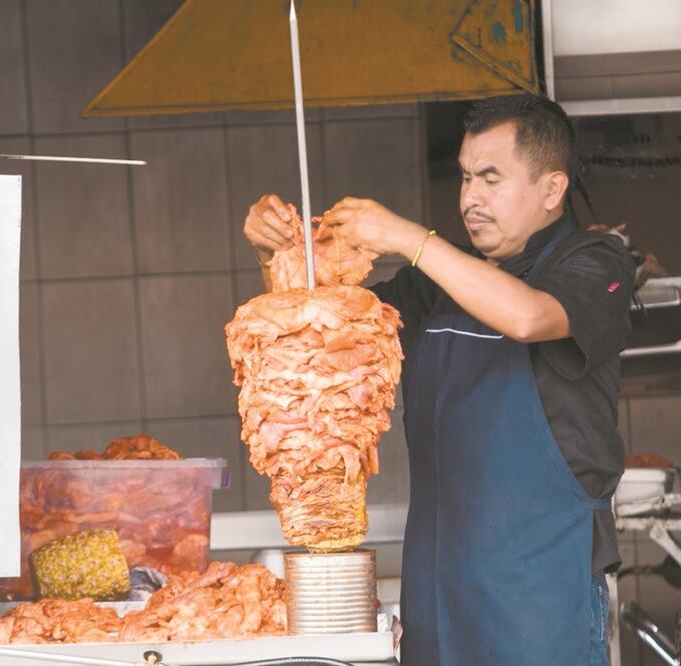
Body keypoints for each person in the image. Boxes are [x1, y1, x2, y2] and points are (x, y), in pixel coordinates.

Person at [243, 94, 634, 665]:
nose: (470, 198)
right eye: (466, 177)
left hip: (543, 594)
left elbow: (529, 317)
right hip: (438, 591)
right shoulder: (432, 286)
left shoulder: (594, 261)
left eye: (491, 179)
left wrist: (408, 238)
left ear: (552, 189)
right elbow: (319, 341)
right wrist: (271, 253)